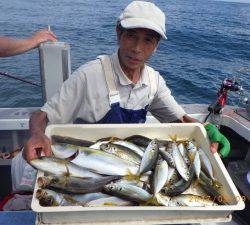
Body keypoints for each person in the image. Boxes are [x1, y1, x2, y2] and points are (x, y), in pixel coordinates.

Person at [23, 1, 230, 163]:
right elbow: (41, 116)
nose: (137, 48)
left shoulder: (153, 81)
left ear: (156, 46)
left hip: (128, 163)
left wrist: (206, 130)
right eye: (131, 36)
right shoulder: (89, 75)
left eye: (148, 40)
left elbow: (180, 121)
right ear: (118, 33)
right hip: (87, 161)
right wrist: (37, 134)